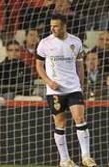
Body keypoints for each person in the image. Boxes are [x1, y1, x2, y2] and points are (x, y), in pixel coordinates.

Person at [36, 14, 97, 167]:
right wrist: (49, 82)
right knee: (60, 122)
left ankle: (86, 157)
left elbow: (79, 65)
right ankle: (64, 160)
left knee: (80, 119)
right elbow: (38, 66)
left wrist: (81, 84)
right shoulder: (45, 43)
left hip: (73, 88)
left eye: (56, 26)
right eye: (51, 26)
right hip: (55, 91)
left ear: (64, 26)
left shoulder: (75, 42)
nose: (53, 28)